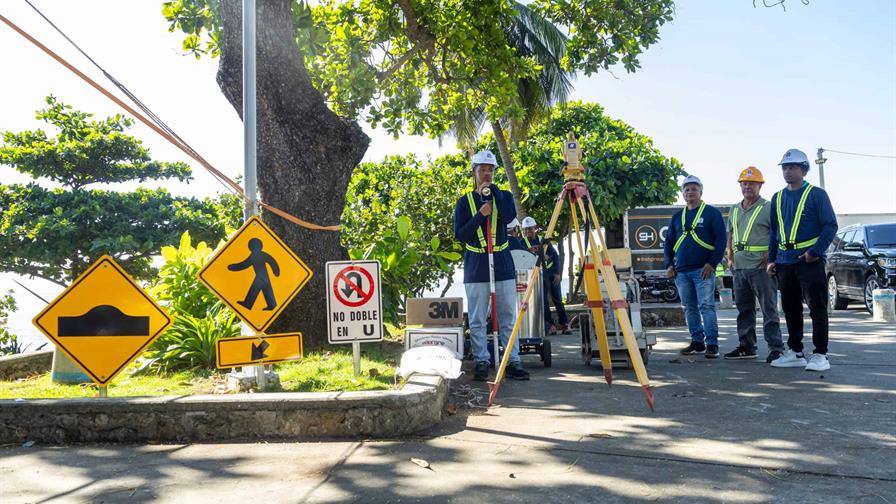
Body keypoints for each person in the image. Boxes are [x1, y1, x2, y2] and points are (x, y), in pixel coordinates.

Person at [454, 150, 529, 381]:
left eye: (490, 170)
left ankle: (511, 360)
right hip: (476, 265)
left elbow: (508, 217)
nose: (487, 174)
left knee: (508, 314)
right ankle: (481, 360)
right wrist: (479, 215)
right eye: (482, 169)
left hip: (502, 262)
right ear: (474, 171)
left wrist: (494, 194)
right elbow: (461, 235)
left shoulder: (503, 195)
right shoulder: (464, 202)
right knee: (477, 318)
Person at [767, 148, 838, 372]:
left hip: (809, 260)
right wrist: (772, 259)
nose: (787, 171)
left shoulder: (817, 194)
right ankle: (796, 351)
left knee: (817, 307)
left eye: (793, 167)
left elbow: (830, 226)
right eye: (785, 168)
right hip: (785, 261)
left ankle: (820, 354)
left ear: (804, 170)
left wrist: (814, 252)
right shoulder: (777, 198)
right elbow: (774, 232)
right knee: (790, 308)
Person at [724, 167, 785, 363]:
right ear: (740, 185)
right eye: (744, 183)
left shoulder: (768, 207)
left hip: (761, 267)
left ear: (760, 185)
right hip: (740, 268)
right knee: (744, 310)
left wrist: (771, 257)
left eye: (752, 183)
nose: (747, 186)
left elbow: (777, 234)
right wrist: (730, 257)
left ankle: (776, 348)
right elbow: (731, 235)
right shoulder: (734, 209)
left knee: (768, 309)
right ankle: (747, 346)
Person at [663, 175, 727, 358]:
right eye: (686, 189)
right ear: (682, 193)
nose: (690, 192)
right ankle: (697, 342)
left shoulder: (711, 213)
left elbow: (721, 240)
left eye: (694, 189)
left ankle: (712, 344)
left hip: (703, 270)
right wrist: (669, 264)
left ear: (701, 192)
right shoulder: (677, 217)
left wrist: (712, 264)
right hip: (681, 272)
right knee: (689, 307)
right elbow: (669, 244)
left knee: (706, 306)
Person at [540, 236, 570, 335]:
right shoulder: (523, 242)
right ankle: (550, 325)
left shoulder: (543, 240)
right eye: (526, 230)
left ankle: (564, 323)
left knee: (557, 299)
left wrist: (557, 273)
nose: (528, 231)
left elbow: (555, 256)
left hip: (552, 275)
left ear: (534, 228)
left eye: (530, 229)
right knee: (544, 302)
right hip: (539, 277)